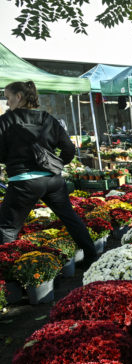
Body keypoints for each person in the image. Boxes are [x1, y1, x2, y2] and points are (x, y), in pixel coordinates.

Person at [0, 81, 98, 268]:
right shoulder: (48, 119)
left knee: (6, 228)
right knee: (70, 218)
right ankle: (91, 256)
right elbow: (68, 148)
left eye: (8, 97)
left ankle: (7, 271)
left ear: (19, 97)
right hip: (52, 180)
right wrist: (58, 164)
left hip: (23, 182)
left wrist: (9, 160)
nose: (7, 102)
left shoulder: (5, 121)